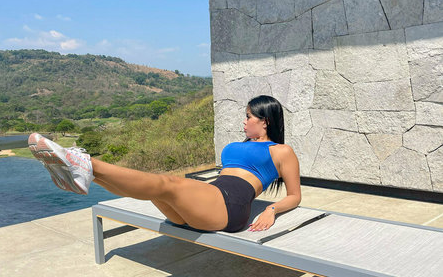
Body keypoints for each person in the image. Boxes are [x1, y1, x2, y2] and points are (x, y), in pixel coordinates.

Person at [28, 95, 301, 233]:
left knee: (167, 183)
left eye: (248, 116)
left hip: (231, 206)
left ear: (265, 121)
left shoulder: (281, 151)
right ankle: (86, 175)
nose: (244, 121)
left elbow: (295, 196)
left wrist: (272, 210)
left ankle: (85, 164)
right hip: (211, 198)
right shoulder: (238, 145)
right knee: (152, 188)